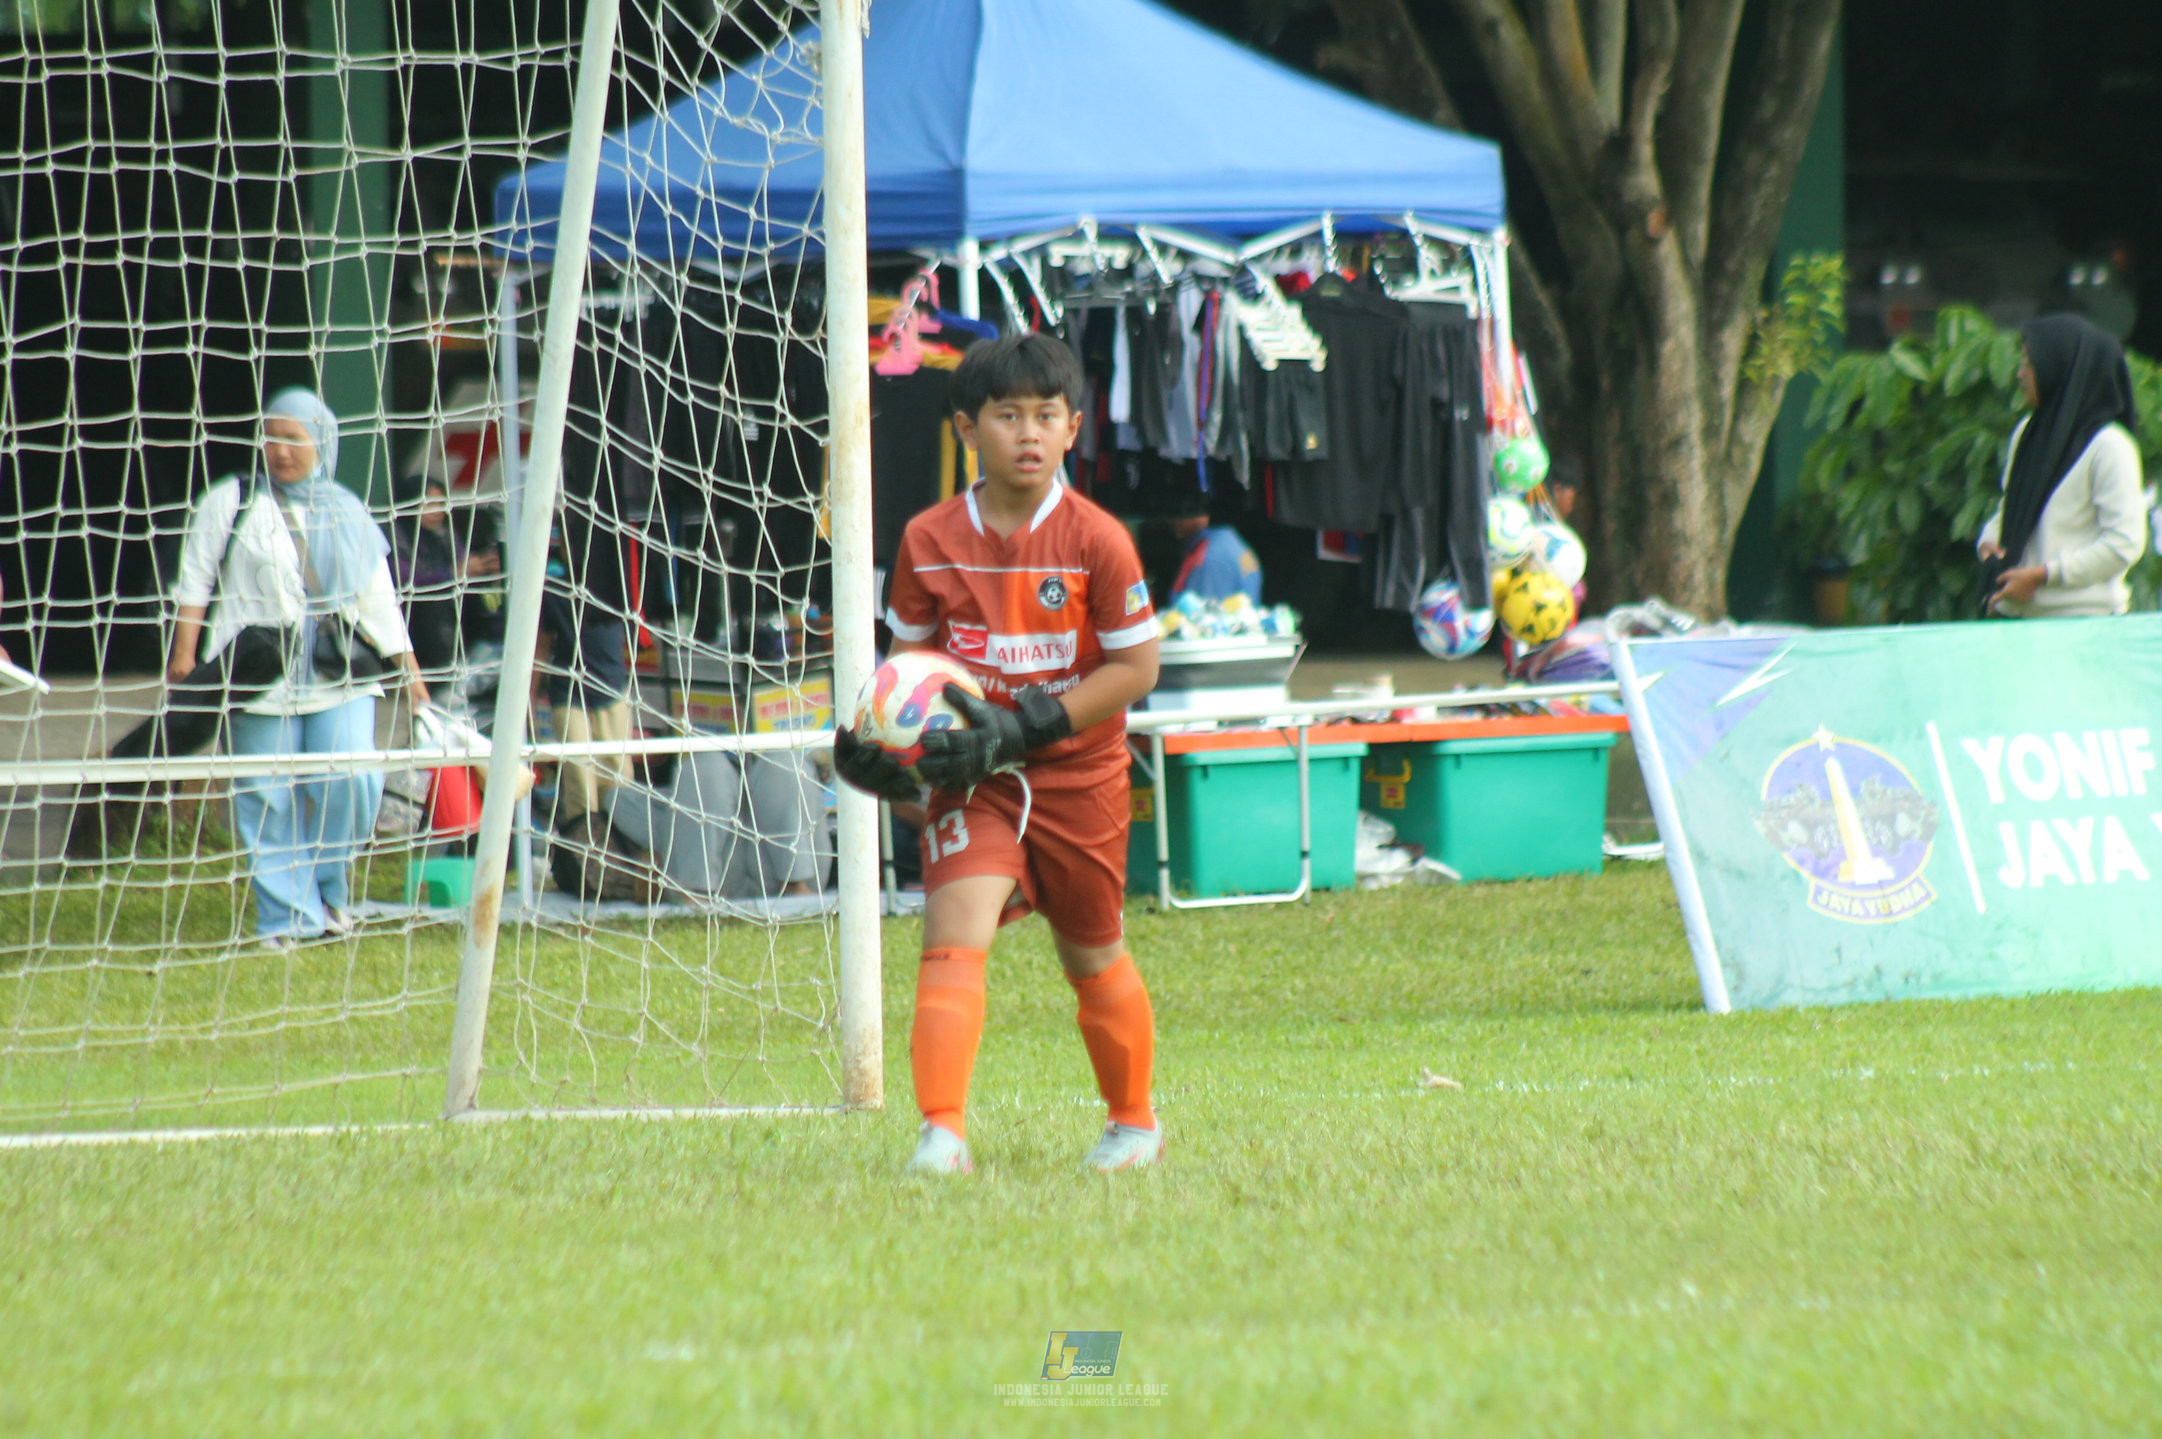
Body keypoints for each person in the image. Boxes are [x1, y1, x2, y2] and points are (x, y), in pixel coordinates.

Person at [834, 332, 1165, 1177]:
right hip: (976, 782)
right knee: (953, 935)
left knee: (1092, 954)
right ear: (965, 430)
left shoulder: (1099, 540)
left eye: (1045, 415)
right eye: (1006, 414)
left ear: (1073, 428)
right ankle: (941, 1133)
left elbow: (1137, 667)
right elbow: (905, 675)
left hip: (1082, 775)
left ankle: (1133, 1124)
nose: (1027, 431)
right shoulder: (926, 538)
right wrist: (877, 754)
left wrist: (1027, 726)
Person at [168, 388, 429, 948]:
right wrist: (185, 653)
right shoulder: (232, 500)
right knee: (265, 796)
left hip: (340, 676)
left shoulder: (349, 509)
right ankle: (286, 919)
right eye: (272, 435)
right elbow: (194, 579)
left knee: (354, 782)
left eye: (294, 437)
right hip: (257, 677)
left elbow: (377, 598)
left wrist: (411, 675)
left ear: (323, 442)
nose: (281, 449)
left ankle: (328, 888)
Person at [1978, 314, 2146, 617]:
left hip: (2084, 623)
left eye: (2029, 363)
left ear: (2059, 367)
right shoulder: (2027, 432)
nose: (2020, 374)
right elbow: (2011, 506)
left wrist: (2044, 575)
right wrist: (1990, 539)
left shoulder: (2109, 447)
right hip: (2016, 617)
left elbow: (2124, 543)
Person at [389, 476, 499, 675]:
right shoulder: (396, 534)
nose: (437, 511)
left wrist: (483, 568)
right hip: (412, 612)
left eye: (440, 503)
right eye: (429, 504)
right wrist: (452, 574)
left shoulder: (445, 535)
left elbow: (462, 564)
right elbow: (406, 580)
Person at [1166, 500, 1263, 605]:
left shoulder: (1210, 558)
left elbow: (1203, 617)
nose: (1172, 520)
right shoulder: (1232, 543)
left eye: (1179, 512)